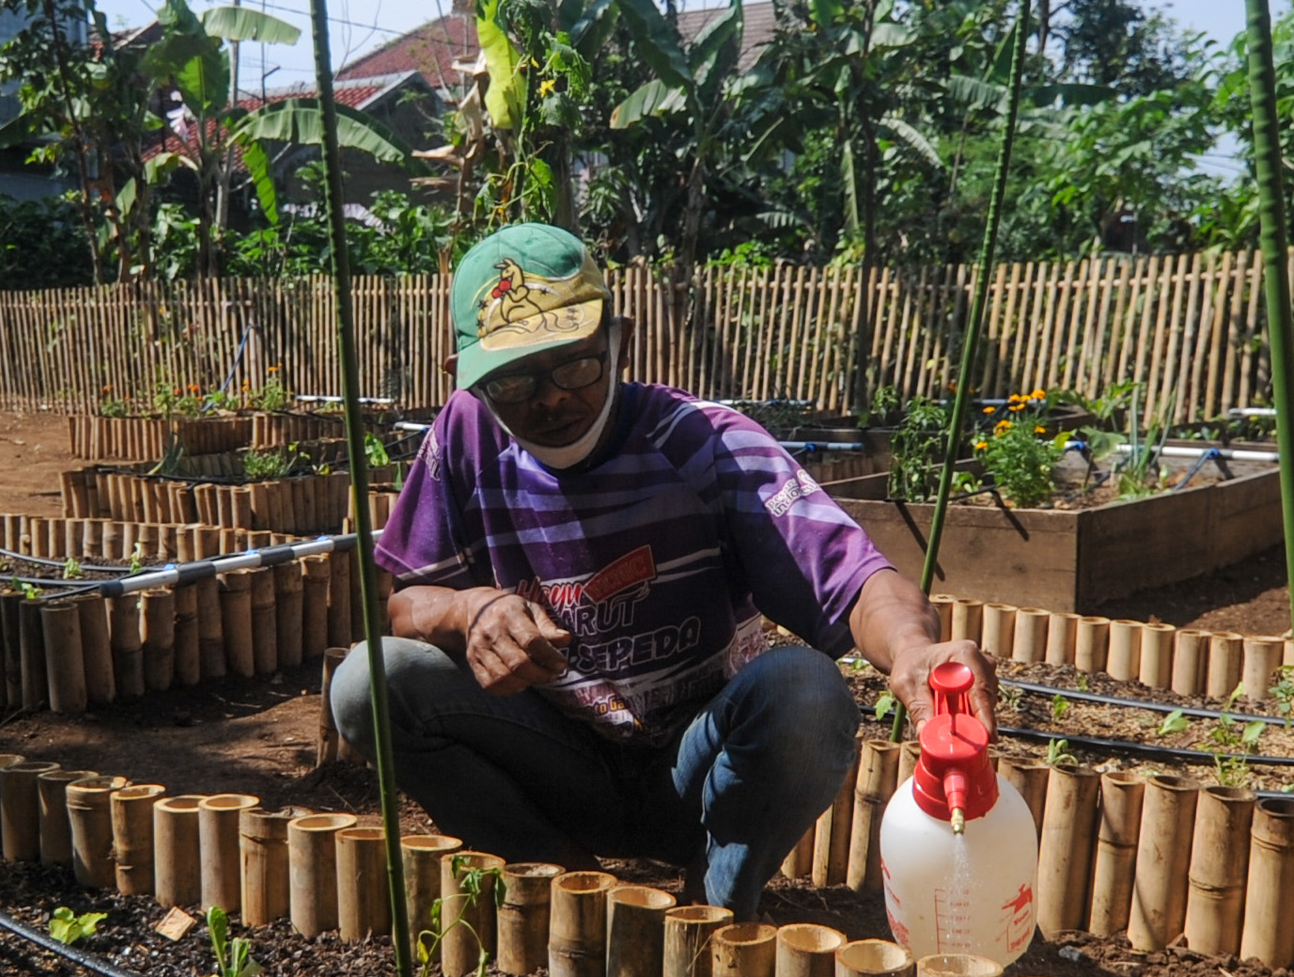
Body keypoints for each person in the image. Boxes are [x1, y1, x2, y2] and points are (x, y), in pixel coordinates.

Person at [331, 222, 993, 917]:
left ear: (621, 340)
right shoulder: (465, 439)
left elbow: (856, 580)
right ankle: (570, 888)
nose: (550, 397)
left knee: (806, 690)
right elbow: (400, 606)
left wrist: (915, 649)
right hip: (555, 762)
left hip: (694, 774)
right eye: (515, 379)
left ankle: (715, 901)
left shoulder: (701, 442)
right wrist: (471, 611)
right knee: (368, 682)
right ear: (464, 380)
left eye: (575, 364)